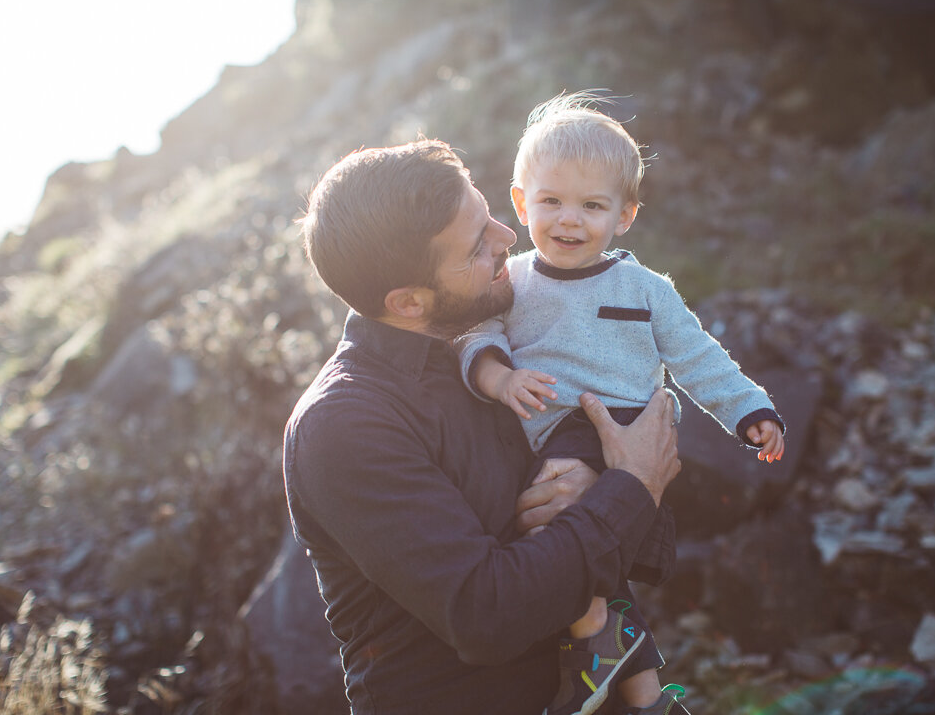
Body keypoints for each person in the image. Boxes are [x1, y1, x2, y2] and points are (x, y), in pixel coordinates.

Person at [283, 138, 684, 715]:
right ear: (410, 302)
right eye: (477, 246)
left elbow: (640, 482)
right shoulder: (344, 425)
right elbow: (486, 614)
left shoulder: (499, 345)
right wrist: (629, 489)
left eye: (487, 212)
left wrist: (602, 484)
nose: (509, 237)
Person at [455, 92, 786, 715]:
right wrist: (500, 381)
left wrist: (750, 411)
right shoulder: (514, 281)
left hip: (615, 426)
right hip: (542, 435)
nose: (569, 220)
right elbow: (478, 338)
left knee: (555, 533)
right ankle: (648, 699)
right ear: (522, 202)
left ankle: (590, 645)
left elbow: (698, 356)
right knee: (598, 568)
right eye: (550, 201)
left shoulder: (644, 289)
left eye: (592, 206)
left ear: (625, 216)